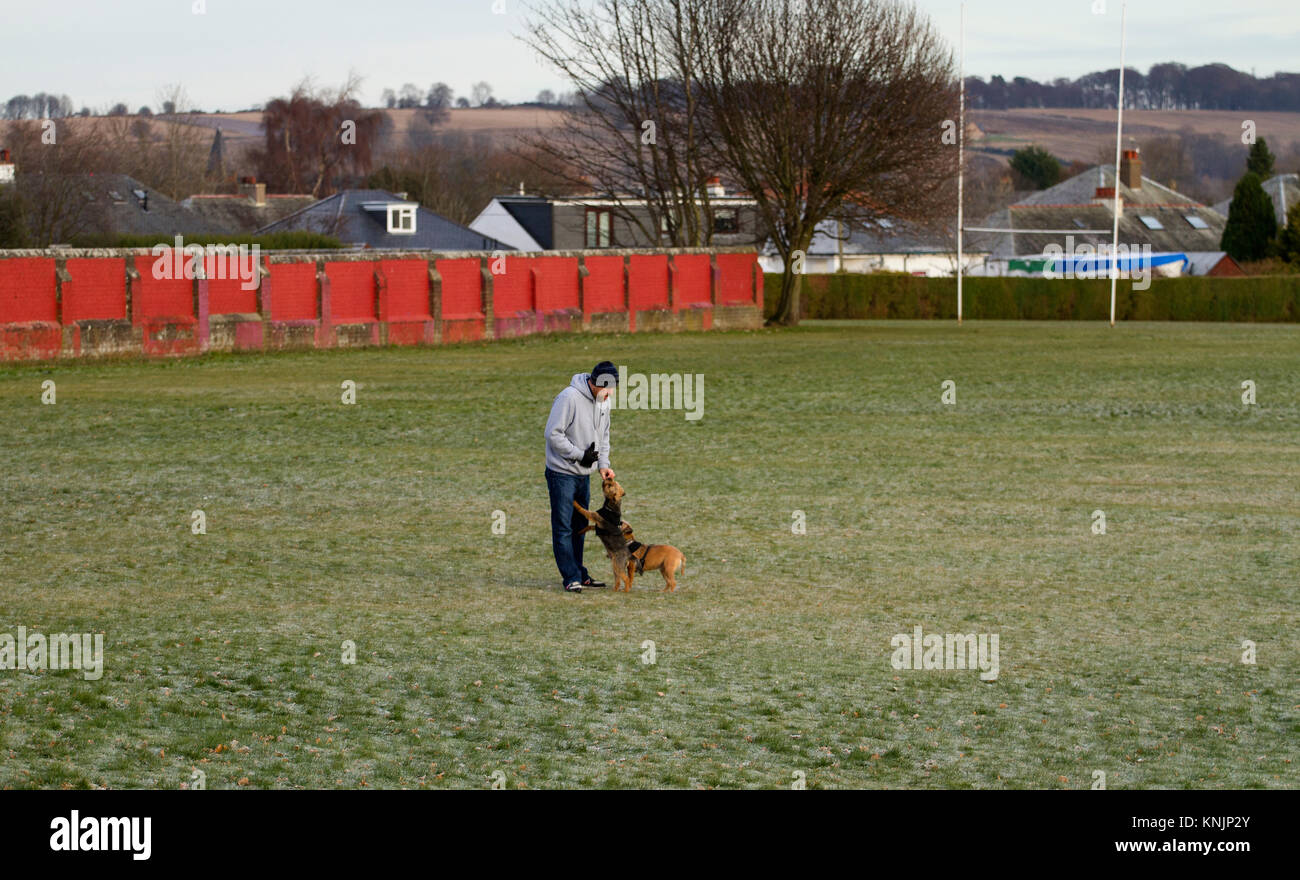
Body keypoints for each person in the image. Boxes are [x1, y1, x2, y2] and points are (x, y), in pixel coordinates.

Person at [544, 361, 618, 593]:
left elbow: (603, 436)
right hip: (561, 474)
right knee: (563, 527)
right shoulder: (569, 398)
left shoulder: (604, 402)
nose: (610, 394)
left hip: (583, 475)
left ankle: (579, 572)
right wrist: (579, 455)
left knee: (579, 526)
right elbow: (552, 434)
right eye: (607, 389)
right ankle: (570, 577)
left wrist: (602, 465)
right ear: (595, 384)